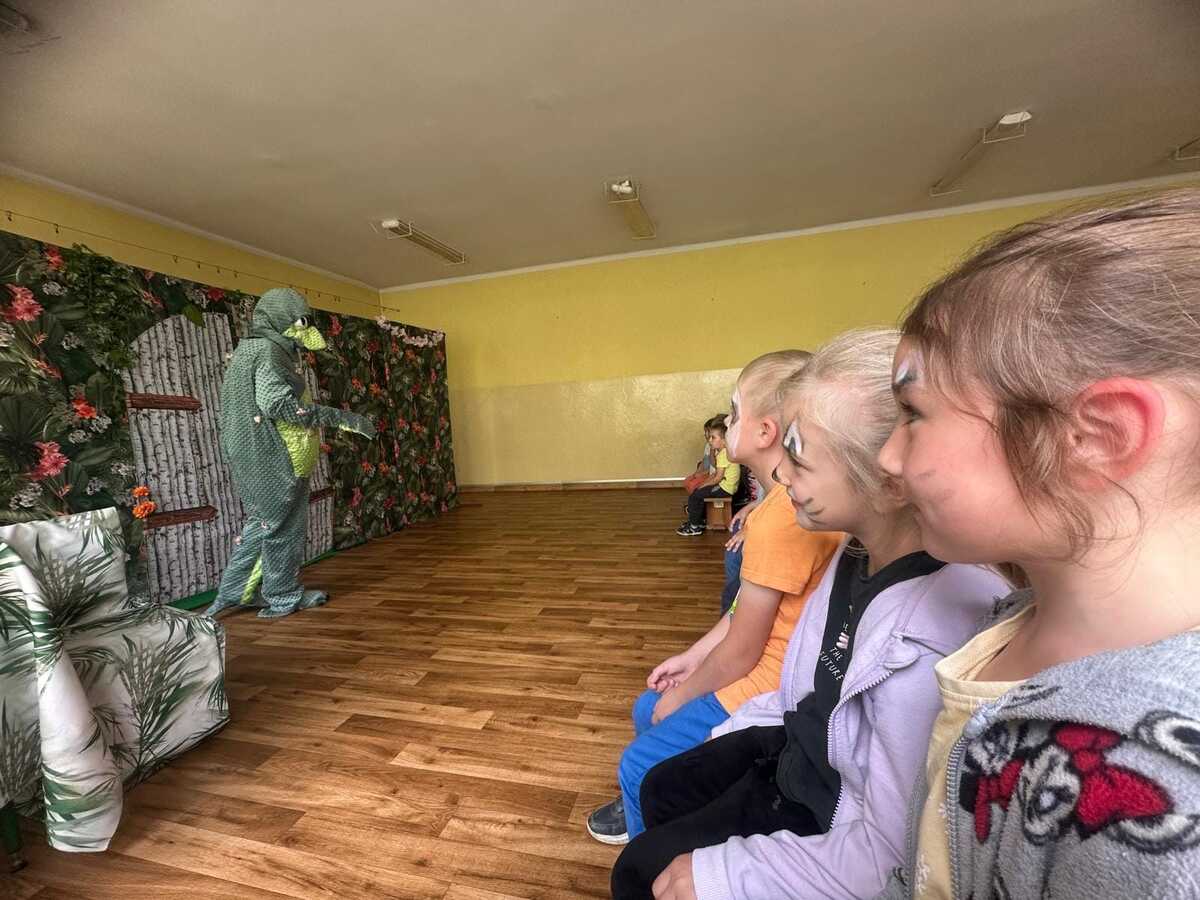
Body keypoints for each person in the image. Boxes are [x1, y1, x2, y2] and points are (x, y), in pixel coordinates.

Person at [876, 189, 1200, 899]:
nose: (888, 457)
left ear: (1097, 436)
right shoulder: (1009, 623)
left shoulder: (1163, 786)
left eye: (913, 413)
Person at [612, 329, 1010, 899]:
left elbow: (891, 852)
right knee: (662, 787)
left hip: (831, 815)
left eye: (798, 457)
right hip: (799, 753)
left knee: (638, 869)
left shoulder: (923, 641)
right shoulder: (852, 552)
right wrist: (721, 730)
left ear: (888, 475)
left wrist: (726, 875)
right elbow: (803, 690)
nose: (782, 476)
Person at [587, 350, 840, 845]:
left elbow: (743, 651)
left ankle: (654, 843)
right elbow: (741, 610)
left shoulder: (781, 518)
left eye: (734, 411)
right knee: (647, 708)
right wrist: (691, 658)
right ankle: (662, 795)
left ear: (764, 432)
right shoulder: (776, 507)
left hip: (767, 686)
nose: (727, 421)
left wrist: (683, 694)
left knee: (638, 759)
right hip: (762, 666)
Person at [678, 421, 740, 536]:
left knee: (695, 496)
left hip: (725, 488)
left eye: (713, 437)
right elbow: (716, 474)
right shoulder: (725, 452)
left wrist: (703, 485)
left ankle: (694, 526)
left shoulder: (723, 455)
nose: (710, 440)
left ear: (724, 440)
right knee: (698, 492)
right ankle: (698, 521)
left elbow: (717, 478)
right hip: (726, 485)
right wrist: (704, 484)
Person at [682, 415, 727, 495]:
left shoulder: (719, 449)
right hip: (710, 474)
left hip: (713, 475)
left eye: (707, 431)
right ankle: (695, 498)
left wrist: (712, 451)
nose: (705, 434)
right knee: (687, 481)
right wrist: (696, 473)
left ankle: (697, 499)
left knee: (694, 486)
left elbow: (714, 466)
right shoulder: (708, 446)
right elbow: (704, 461)